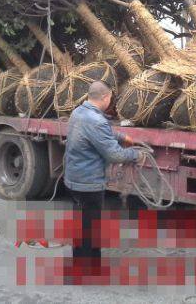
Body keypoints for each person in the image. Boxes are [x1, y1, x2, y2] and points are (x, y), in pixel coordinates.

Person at [63, 80, 146, 277]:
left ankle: (84, 266)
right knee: (90, 227)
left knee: (83, 225)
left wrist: (121, 137)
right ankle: (86, 271)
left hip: (74, 178)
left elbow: (100, 132)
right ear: (105, 98)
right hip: (88, 183)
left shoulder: (79, 112)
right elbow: (115, 155)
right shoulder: (96, 120)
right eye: (110, 98)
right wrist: (136, 155)